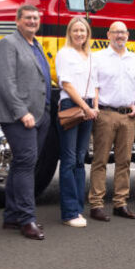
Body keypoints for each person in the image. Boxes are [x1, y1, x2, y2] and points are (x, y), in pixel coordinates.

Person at [0, 4, 51, 240]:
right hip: (21, 117)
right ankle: (27, 220)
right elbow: (6, 82)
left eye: (35, 18)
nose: (32, 21)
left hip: (40, 114)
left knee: (21, 164)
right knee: (27, 165)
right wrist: (21, 112)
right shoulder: (9, 43)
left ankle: (11, 216)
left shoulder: (35, 44)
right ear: (17, 21)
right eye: (28, 18)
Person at [89, 21, 135, 222]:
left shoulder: (134, 59)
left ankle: (120, 203)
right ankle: (96, 204)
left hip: (128, 117)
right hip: (105, 114)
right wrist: (95, 108)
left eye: (123, 32)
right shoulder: (98, 58)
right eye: (116, 32)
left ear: (127, 35)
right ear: (108, 35)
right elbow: (94, 85)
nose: (119, 36)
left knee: (124, 161)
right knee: (100, 160)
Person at [55, 16, 99, 228]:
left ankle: (78, 208)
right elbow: (67, 84)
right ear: (70, 33)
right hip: (72, 106)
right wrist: (86, 107)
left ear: (87, 33)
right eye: (76, 30)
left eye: (83, 30)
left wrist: (95, 106)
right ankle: (69, 212)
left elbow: (95, 84)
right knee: (69, 159)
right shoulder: (65, 54)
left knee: (81, 159)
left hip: (89, 106)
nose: (79, 34)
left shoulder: (90, 55)